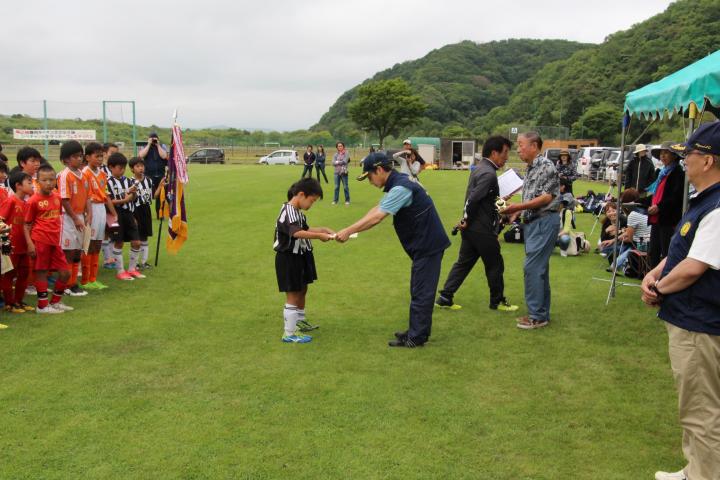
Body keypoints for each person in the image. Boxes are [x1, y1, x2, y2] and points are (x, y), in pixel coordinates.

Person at [640, 121, 720, 480]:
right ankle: (695, 469)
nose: (684, 159)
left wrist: (659, 288)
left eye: (691, 153)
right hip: (691, 318)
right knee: (695, 405)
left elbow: (693, 268)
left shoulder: (717, 208)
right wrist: (654, 272)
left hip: (700, 323)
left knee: (701, 410)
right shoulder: (705, 202)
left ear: (709, 161)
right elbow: (682, 253)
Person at [335, 152, 450, 347]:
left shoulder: (400, 188)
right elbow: (378, 208)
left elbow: (377, 217)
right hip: (424, 244)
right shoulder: (400, 182)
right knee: (418, 289)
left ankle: (416, 337)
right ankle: (416, 331)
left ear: (379, 170)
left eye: (369, 176)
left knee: (422, 292)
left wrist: (349, 231)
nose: (370, 181)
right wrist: (349, 228)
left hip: (427, 245)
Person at [435, 135, 518, 312]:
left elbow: (486, 200)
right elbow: (473, 200)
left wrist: (502, 202)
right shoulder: (488, 173)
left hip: (472, 228)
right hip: (481, 228)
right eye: (504, 153)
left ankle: (445, 297)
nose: (506, 158)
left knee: (463, 263)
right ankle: (497, 301)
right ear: (494, 153)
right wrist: (465, 220)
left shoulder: (480, 168)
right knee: (495, 264)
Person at [500, 132, 560, 330]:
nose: (518, 149)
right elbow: (532, 197)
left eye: (521, 145)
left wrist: (517, 208)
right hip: (534, 223)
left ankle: (537, 316)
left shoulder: (545, 166)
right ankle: (541, 314)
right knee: (539, 270)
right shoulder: (532, 168)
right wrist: (519, 213)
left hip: (544, 222)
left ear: (534, 146)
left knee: (532, 268)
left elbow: (546, 198)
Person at [274, 178, 334, 344]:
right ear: (301, 195)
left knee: (302, 289)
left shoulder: (298, 212)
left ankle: (299, 321)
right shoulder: (288, 211)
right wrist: (319, 236)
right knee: (293, 294)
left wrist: (323, 230)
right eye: (312, 201)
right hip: (288, 257)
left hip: (301, 255)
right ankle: (289, 333)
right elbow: (296, 233)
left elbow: (305, 230)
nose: (311, 204)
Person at [23, 164, 73, 314]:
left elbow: (56, 219)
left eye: (51, 179)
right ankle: (42, 306)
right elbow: (26, 225)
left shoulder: (57, 197)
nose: (49, 183)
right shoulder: (33, 200)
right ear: (37, 182)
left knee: (65, 273)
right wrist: (30, 244)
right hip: (40, 240)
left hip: (55, 242)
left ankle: (55, 302)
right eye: (44, 180)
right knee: (42, 271)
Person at [56, 140, 91, 297]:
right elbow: (64, 199)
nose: (79, 159)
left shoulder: (83, 175)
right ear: (65, 160)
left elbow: (88, 196)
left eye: (80, 156)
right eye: (75, 156)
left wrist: (88, 212)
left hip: (80, 216)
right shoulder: (64, 176)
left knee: (78, 251)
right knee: (68, 252)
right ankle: (67, 285)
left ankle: (72, 284)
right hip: (68, 218)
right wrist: (75, 218)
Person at [81, 142, 118, 289]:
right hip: (90, 209)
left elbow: (106, 195)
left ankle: (93, 278)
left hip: (101, 208)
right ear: (88, 157)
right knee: (89, 243)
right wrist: (87, 213)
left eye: (101, 156)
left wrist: (114, 213)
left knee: (97, 243)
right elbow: (84, 196)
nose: (100, 159)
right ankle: (85, 280)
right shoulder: (84, 173)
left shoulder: (102, 173)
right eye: (97, 156)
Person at [644, 141, 686, 269]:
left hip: (668, 218)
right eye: (661, 153)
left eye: (666, 153)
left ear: (674, 156)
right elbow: (654, 194)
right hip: (656, 218)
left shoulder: (678, 173)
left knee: (666, 251)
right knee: (653, 251)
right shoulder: (660, 173)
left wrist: (659, 207)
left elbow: (675, 197)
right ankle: (651, 279)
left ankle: (663, 281)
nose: (663, 156)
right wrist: (640, 202)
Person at [0, 171, 35, 313]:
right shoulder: (11, 201)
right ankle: (9, 303)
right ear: (18, 186)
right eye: (29, 183)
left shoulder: (27, 203)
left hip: (24, 245)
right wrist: (5, 241)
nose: (32, 185)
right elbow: (1, 220)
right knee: (9, 274)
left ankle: (19, 301)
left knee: (24, 273)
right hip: (11, 246)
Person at [106, 153, 143, 281]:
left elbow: (133, 199)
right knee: (119, 242)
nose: (122, 170)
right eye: (119, 168)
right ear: (111, 167)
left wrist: (133, 194)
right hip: (115, 215)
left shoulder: (128, 181)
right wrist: (125, 199)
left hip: (128, 214)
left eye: (123, 168)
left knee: (136, 242)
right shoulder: (107, 182)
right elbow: (108, 201)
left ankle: (132, 269)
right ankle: (120, 271)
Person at [612, 188, 651, 274]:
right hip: (648, 242)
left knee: (624, 245)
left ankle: (615, 265)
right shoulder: (645, 210)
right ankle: (617, 264)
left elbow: (629, 239)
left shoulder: (633, 215)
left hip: (641, 244)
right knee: (620, 244)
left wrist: (619, 239)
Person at [129, 157, 156, 270]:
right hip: (135, 210)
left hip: (146, 209)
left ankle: (144, 262)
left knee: (145, 236)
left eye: (142, 166)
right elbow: (129, 198)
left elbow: (153, 196)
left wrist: (161, 187)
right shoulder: (129, 182)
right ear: (132, 169)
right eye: (137, 166)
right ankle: (135, 263)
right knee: (137, 237)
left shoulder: (149, 181)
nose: (141, 168)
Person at [137, 132, 168, 218]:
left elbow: (164, 156)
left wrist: (158, 145)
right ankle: (145, 214)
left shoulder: (162, 146)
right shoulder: (145, 146)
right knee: (146, 194)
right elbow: (141, 155)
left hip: (160, 174)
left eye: (155, 138)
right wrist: (148, 144)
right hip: (148, 175)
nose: (154, 140)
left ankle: (160, 214)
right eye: (152, 138)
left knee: (161, 195)